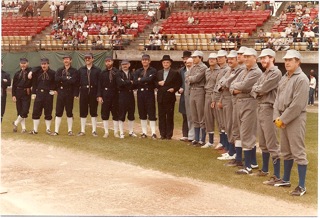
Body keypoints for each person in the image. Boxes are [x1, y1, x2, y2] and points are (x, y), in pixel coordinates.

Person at [272, 50, 309, 196]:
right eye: (286, 59)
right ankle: (286, 179)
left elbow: (297, 105)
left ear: (298, 62)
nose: (287, 62)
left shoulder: (302, 79)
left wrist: (283, 119)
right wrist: (276, 118)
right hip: (282, 117)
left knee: (298, 151)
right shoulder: (284, 77)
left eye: (291, 60)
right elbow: (276, 99)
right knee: (285, 151)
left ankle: (302, 186)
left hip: (295, 118)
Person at [250, 49, 282, 180]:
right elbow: (254, 90)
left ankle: (277, 175)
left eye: (265, 58)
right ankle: (264, 169)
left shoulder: (276, 73)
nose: (262, 60)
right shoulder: (264, 74)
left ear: (272, 58)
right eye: (261, 58)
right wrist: (258, 90)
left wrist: (258, 90)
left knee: (272, 143)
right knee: (263, 142)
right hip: (260, 107)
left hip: (269, 108)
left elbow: (262, 89)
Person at [230, 48, 262, 174]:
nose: (246, 58)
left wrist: (238, 87)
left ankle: (247, 166)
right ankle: (253, 162)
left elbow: (244, 86)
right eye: (245, 56)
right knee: (241, 132)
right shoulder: (244, 70)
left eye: (249, 56)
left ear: (255, 58)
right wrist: (237, 88)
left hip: (249, 103)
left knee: (247, 133)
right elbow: (233, 85)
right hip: (240, 102)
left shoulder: (256, 72)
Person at [216, 50, 243, 160]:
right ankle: (231, 151)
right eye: (229, 59)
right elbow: (220, 84)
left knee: (232, 126)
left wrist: (224, 84)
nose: (230, 60)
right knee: (227, 125)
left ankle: (233, 152)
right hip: (227, 98)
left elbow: (228, 83)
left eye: (232, 59)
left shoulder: (238, 70)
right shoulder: (229, 70)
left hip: (233, 100)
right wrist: (224, 85)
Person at [225, 46, 247, 167]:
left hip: (243, 102)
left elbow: (231, 84)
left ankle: (244, 158)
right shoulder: (239, 70)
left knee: (243, 131)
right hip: (235, 100)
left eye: (242, 54)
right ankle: (238, 157)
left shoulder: (243, 69)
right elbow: (230, 83)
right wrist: (234, 87)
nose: (239, 56)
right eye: (238, 54)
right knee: (236, 130)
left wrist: (234, 87)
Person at [51, 54, 78, 136]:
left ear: (71, 60)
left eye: (67, 59)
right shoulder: (59, 70)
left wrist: (63, 79)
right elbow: (56, 79)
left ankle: (70, 131)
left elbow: (73, 81)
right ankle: (56, 131)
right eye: (65, 59)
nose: (66, 61)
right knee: (58, 112)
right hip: (61, 93)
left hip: (69, 93)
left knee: (69, 112)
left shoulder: (74, 71)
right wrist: (67, 78)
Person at [156, 55, 182, 140]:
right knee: (161, 116)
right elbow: (154, 82)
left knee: (169, 116)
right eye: (164, 62)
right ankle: (162, 134)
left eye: (167, 62)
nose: (165, 64)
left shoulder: (175, 73)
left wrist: (174, 89)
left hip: (170, 97)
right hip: (161, 97)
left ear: (170, 63)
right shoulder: (159, 72)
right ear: (162, 63)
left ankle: (169, 134)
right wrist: (158, 84)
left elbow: (178, 84)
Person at [76, 53, 101, 137]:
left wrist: (99, 95)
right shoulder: (81, 70)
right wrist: (77, 94)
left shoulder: (97, 70)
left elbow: (99, 84)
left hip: (93, 93)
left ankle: (94, 130)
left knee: (93, 112)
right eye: (86, 58)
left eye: (89, 58)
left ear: (92, 59)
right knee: (83, 111)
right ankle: (82, 130)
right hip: (83, 92)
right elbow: (77, 83)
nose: (87, 59)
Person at [186, 50, 208, 146]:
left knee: (201, 115)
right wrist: (191, 78)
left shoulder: (203, 67)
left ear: (200, 58)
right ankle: (196, 138)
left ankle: (202, 139)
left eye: (195, 57)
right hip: (193, 90)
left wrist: (191, 78)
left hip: (200, 90)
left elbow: (196, 78)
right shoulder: (193, 67)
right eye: (193, 57)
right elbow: (187, 78)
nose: (194, 59)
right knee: (194, 115)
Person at [29, 58, 56, 134]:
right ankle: (35, 130)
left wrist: (54, 90)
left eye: (45, 64)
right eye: (42, 64)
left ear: (48, 64)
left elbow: (56, 82)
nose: (43, 65)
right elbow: (34, 83)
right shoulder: (37, 72)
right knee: (36, 111)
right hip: (39, 94)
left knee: (48, 111)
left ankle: (48, 129)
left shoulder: (53, 73)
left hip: (48, 94)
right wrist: (33, 93)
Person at [134, 54, 157, 138]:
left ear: (149, 61)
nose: (145, 61)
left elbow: (151, 79)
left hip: (149, 93)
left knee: (151, 112)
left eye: (146, 60)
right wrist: (144, 80)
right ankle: (144, 132)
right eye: (143, 60)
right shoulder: (138, 71)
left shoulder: (153, 70)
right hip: (140, 93)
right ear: (141, 61)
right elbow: (135, 81)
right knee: (142, 113)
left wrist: (141, 80)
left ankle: (153, 133)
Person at [97, 56, 119, 138]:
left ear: (112, 62)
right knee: (105, 113)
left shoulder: (117, 72)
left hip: (115, 94)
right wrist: (99, 96)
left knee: (115, 113)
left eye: (109, 61)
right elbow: (100, 85)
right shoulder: (102, 73)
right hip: (105, 94)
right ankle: (106, 132)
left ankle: (116, 132)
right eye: (106, 61)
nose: (108, 63)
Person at [213, 50, 230, 152]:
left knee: (224, 122)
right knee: (220, 122)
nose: (219, 59)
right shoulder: (220, 69)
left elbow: (222, 86)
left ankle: (226, 144)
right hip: (217, 96)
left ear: (226, 58)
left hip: (222, 97)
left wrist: (219, 99)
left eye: (221, 57)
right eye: (218, 57)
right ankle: (223, 142)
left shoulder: (226, 69)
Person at [201, 53, 219, 148]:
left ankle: (222, 142)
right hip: (207, 94)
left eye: (213, 59)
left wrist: (215, 98)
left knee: (219, 118)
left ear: (216, 60)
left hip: (215, 95)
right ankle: (211, 141)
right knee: (208, 118)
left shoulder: (219, 71)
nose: (211, 60)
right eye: (210, 59)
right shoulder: (207, 71)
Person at [116, 59, 137, 138]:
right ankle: (121, 132)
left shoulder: (132, 73)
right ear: (121, 66)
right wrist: (129, 82)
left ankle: (131, 132)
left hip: (130, 95)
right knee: (122, 114)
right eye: (123, 64)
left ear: (129, 65)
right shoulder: (118, 74)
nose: (124, 66)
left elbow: (135, 84)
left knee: (131, 114)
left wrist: (126, 82)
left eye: (126, 64)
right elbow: (120, 84)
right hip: (122, 95)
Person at [12, 58, 32, 132]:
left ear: (27, 63)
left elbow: (37, 68)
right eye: (21, 63)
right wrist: (13, 95)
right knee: (20, 110)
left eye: (24, 63)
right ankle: (23, 128)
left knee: (25, 110)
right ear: (20, 64)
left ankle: (16, 123)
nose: (23, 64)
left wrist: (31, 72)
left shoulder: (30, 71)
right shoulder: (17, 73)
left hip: (26, 92)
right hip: (18, 92)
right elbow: (14, 85)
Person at [178, 51, 193, 142]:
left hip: (193, 95)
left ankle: (194, 135)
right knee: (185, 115)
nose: (185, 60)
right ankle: (185, 134)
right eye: (184, 59)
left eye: (187, 58)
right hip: (184, 96)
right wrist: (180, 88)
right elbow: (179, 82)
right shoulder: (181, 71)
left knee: (194, 116)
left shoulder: (195, 70)